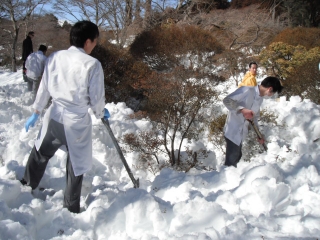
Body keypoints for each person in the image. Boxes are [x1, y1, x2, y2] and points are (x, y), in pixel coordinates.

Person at [20, 21, 110, 213]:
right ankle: (70, 207)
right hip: (75, 124)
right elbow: (96, 98)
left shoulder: (55, 57)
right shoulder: (92, 64)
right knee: (76, 165)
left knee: (40, 154)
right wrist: (101, 112)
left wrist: (36, 111)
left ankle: (23, 188)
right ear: (88, 41)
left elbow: (44, 86)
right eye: (95, 41)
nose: (94, 45)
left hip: (53, 117)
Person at [223, 76, 283, 167]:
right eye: (273, 93)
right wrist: (242, 110)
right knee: (232, 161)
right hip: (232, 130)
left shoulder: (260, 99)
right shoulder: (247, 90)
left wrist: (259, 134)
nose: (271, 96)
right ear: (269, 89)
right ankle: (224, 178)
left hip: (241, 133)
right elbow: (227, 100)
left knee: (237, 157)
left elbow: (254, 118)